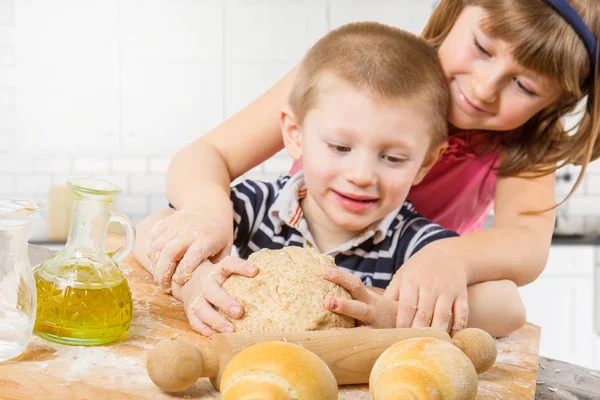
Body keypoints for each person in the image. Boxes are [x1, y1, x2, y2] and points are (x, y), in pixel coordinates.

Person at [136, 0, 600, 336]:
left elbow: (525, 248)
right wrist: (207, 213)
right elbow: (206, 156)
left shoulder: (526, 144)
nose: (483, 87)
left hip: (395, 281)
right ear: (456, 9)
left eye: (523, 84)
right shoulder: (348, 71)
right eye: (481, 46)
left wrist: (445, 261)